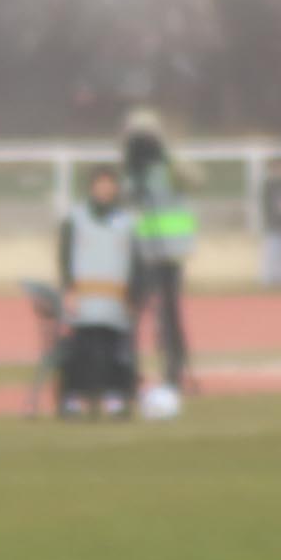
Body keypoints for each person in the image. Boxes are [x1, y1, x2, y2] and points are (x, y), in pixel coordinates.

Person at [59, 165, 139, 416]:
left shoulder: (125, 221)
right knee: (81, 350)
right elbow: (64, 256)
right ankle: (75, 398)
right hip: (84, 299)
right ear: (92, 188)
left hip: (114, 300)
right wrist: (69, 290)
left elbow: (133, 259)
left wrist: (131, 295)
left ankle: (114, 397)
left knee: (113, 351)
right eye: (100, 184)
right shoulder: (76, 218)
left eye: (109, 185)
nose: (105, 190)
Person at [123, 115, 195, 392]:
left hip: (169, 253)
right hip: (142, 252)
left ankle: (174, 367)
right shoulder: (130, 172)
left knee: (169, 314)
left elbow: (195, 180)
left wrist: (167, 157)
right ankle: (129, 366)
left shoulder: (171, 167)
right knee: (135, 312)